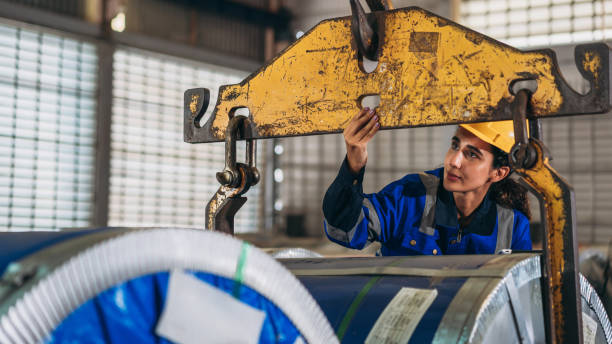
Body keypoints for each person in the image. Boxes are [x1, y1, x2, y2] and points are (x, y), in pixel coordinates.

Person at [322, 107, 532, 255]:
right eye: (455, 145)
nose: (453, 161)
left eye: (472, 155)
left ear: (498, 173)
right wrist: (353, 165)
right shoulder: (411, 196)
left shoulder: (512, 227)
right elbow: (345, 231)